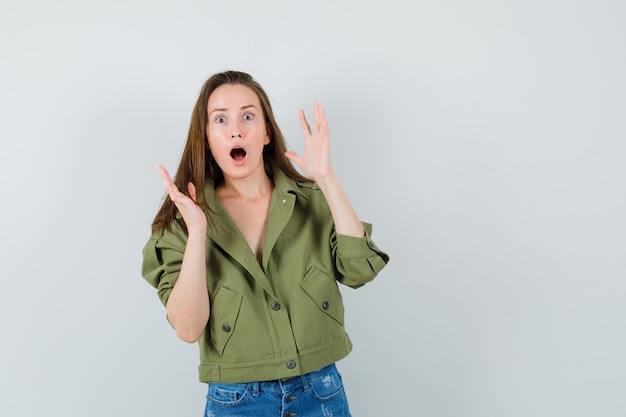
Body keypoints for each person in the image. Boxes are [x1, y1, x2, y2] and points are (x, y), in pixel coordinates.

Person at [141, 70, 389, 417]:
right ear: (207, 137)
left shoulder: (311, 200)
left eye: (248, 115)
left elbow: (359, 270)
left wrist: (327, 179)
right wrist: (198, 231)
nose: (236, 129)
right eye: (220, 119)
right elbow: (187, 328)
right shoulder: (183, 221)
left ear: (267, 132)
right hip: (238, 401)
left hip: (321, 393)